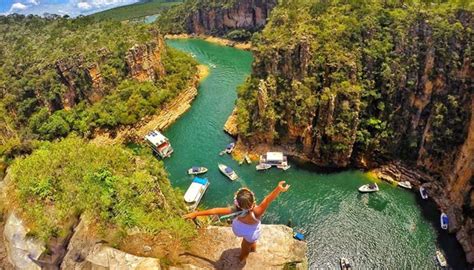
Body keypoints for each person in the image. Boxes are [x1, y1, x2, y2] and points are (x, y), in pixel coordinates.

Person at [184, 181, 290, 262]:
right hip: (252, 233)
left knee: (246, 245)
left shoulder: (235, 210)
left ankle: (245, 255)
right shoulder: (257, 211)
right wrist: (278, 189)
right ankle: (247, 253)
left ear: (237, 203)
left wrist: (196, 214)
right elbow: (268, 199)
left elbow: (215, 210)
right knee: (248, 243)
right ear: (253, 200)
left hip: (239, 230)